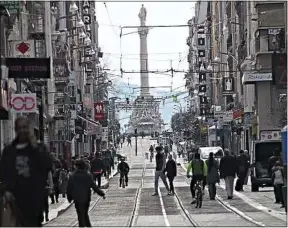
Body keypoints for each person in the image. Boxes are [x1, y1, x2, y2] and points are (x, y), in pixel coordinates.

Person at [0, 117, 53, 226]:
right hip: (15, 200)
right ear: (15, 129)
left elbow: (47, 165)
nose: (22, 130)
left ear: (29, 129)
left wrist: (35, 146)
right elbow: (3, 172)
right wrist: (6, 190)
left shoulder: (38, 148)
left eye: (25, 127)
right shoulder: (9, 151)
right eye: (19, 128)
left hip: (34, 199)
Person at [67, 159, 106, 227]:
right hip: (86, 198)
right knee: (84, 213)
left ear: (76, 166)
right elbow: (93, 186)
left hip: (77, 198)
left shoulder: (72, 176)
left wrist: (69, 197)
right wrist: (101, 193)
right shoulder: (87, 175)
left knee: (80, 215)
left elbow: (69, 188)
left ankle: (83, 226)